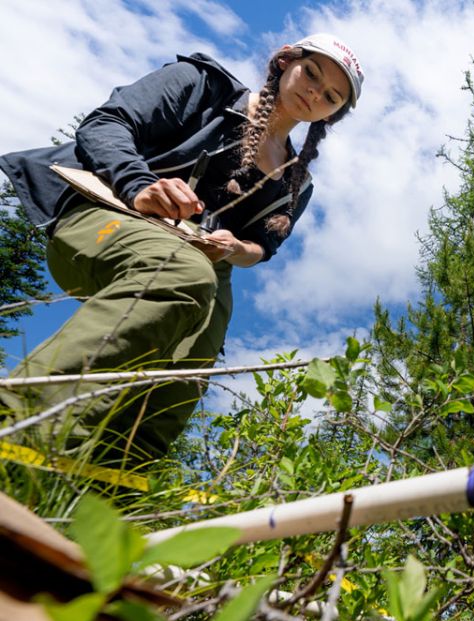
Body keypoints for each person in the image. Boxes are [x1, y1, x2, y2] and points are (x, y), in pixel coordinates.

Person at [0, 34, 364, 468]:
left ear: (333, 114)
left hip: (201, 262)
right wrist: (140, 185)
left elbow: (262, 248)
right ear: (286, 61)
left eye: (330, 97)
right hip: (104, 211)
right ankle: (20, 418)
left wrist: (235, 247)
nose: (314, 93)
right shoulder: (204, 87)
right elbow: (105, 125)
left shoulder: (296, 185)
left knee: (201, 342)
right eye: (312, 74)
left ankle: (115, 476)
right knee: (183, 272)